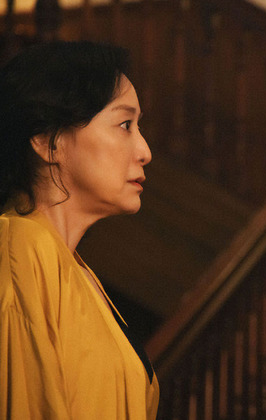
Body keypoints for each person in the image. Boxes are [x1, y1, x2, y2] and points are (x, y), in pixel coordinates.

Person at [0, 41, 158, 419]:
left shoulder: (75, 271)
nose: (145, 150)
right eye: (124, 125)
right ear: (47, 141)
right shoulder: (20, 244)